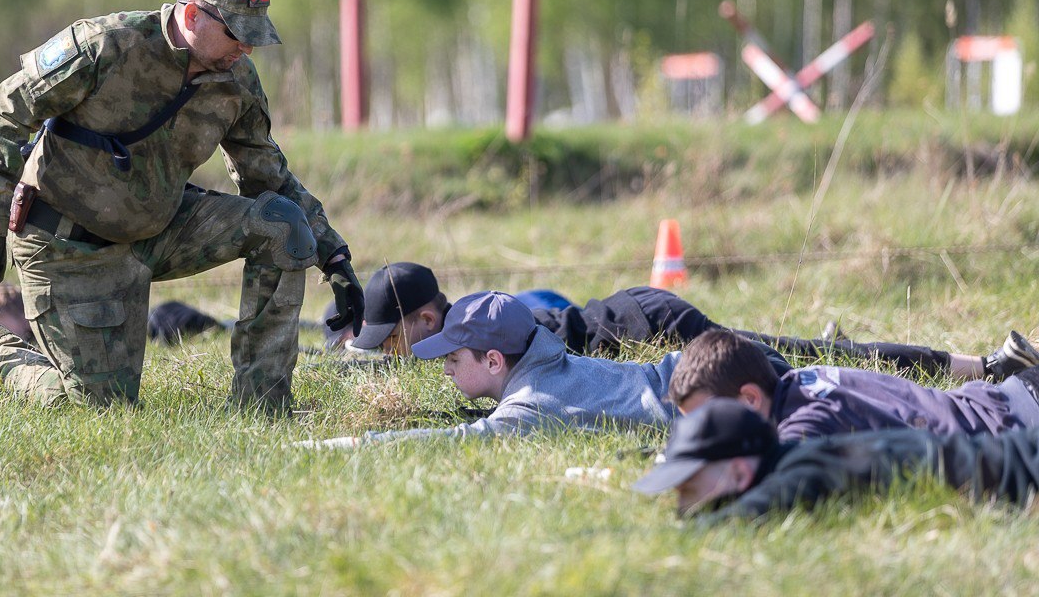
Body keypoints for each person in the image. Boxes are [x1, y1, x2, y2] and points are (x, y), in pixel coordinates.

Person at [0, 0, 364, 410]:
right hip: (69, 245)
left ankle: (262, 405)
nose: (246, 49)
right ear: (191, 15)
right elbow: (0, 117)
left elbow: (268, 177)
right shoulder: (106, 45)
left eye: (254, 38)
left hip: (158, 228)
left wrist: (332, 253)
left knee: (282, 225)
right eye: (237, 35)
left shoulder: (235, 80)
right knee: (97, 410)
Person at [345, 262, 1030, 382]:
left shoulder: (481, 324)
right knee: (793, 357)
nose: (394, 353)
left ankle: (985, 367)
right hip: (641, 313)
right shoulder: (461, 331)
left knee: (797, 362)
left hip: (655, 326)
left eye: (396, 338)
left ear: (426, 316)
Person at [298, 290, 788, 448]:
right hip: (719, 369)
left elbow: (455, 441)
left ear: (494, 360)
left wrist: (338, 444)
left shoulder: (535, 405)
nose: (445, 370)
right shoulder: (550, 354)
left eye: (451, 359)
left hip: (733, 395)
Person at [633, 397, 1039, 521]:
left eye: (688, 486)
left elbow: (730, 524)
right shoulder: (799, 457)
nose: (681, 504)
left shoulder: (810, 471)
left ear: (740, 473)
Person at [667, 329, 1039, 441]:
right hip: (1007, 396)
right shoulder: (804, 378)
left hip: (1017, 424)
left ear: (749, 399)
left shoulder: (802, 423)